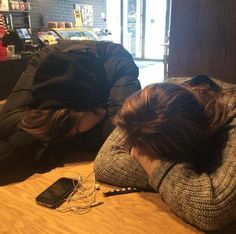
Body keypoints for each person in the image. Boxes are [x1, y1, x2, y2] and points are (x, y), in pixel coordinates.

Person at [94, 75, 236, 231]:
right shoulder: (157, 95)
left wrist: (145, 158)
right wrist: (187, 182)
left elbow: (213, 207)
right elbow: (105, 161)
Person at [0, 40, 140, 171]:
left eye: (73, 130)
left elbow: (120, 132)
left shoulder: (119, 64)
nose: (69, 136)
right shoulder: (42, 60)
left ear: (99, 109)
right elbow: (6, 120)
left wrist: (48, 138)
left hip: (110, 59)